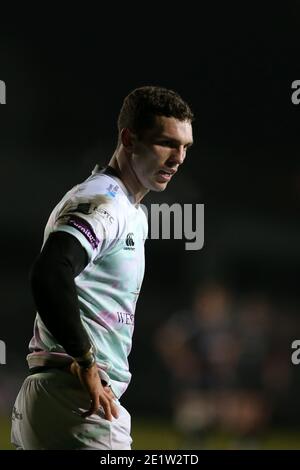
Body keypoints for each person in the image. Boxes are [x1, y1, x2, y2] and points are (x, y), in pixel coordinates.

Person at [11, 86, 194, 450]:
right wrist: (86, 359)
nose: (177, 158)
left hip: (53, 393)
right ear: (129, 139)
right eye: (165, 143)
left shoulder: (130, 210)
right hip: (79, 398)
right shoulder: (104, 201)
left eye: (185, 146)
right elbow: (50, 272)